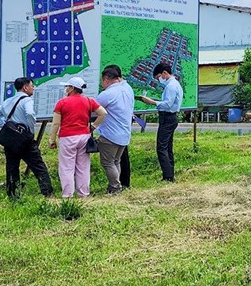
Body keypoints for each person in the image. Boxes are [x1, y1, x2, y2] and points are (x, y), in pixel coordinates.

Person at [0, 77, 54, 199]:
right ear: (25, 87)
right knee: (39, 167)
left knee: (12, 168)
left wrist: (8, 126)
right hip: (25, 140)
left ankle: (13, 196)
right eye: (31, 85)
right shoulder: (27, 100)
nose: (33, 88)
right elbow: (29, 113)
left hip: (11, 141)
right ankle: (48, 193)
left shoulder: (8, 101)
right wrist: (29, 127)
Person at [48, 77, 108, 198]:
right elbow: (103, 113)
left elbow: (56, 123)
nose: (66, 89)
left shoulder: (62, 102)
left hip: (67, 137)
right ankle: (83, 194)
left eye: (67, 87)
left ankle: (68, 194)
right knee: (83, 167)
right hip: (84, 137)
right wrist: (94, 126)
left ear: (72, 88)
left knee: (66, 167)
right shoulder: (88, 100)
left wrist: (52, 139)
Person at [138, 62, 182, 182]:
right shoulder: (174, 84)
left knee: (161, 148)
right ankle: (170, 173)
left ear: (164, 73)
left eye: (158, 77)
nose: (159, 80)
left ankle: (168, 176)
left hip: (168, 117)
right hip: (170, 117)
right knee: (167, 147)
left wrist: (152, 102)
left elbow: (168, 104)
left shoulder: (171, 86)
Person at [95, 65, 135, 194]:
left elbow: (93, 107)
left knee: (107, 162)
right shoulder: (127, 89)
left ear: (106, 79)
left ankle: (115, 187)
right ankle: (118, 186)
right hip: (124, 133)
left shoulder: (107, 94)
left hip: (110, 134)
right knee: (116, 161)